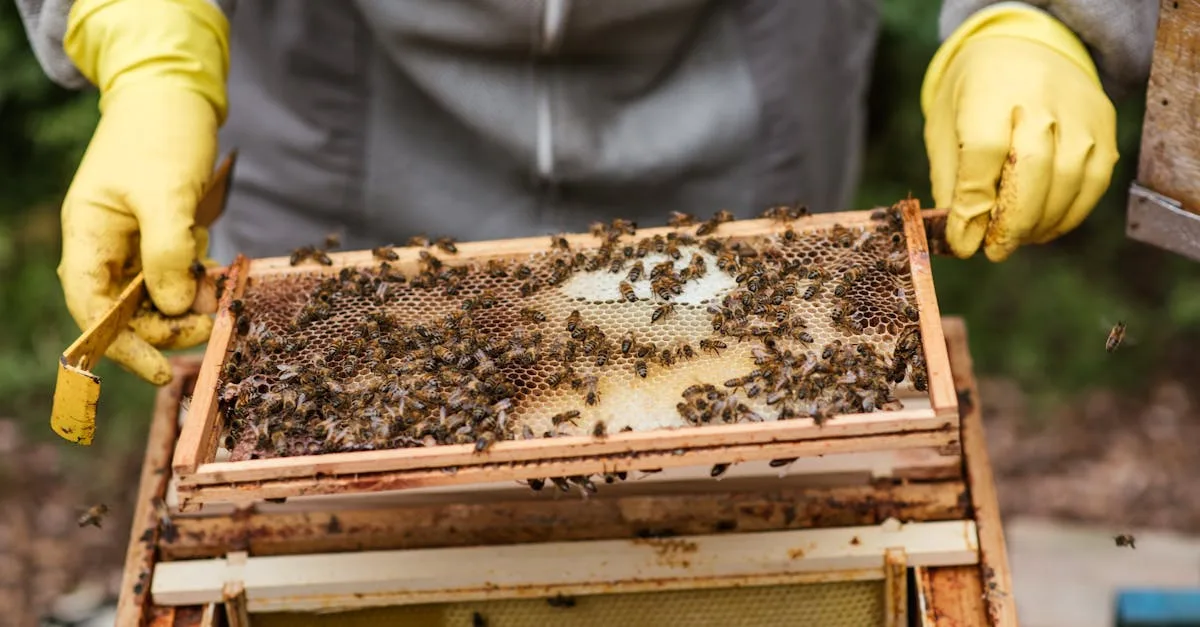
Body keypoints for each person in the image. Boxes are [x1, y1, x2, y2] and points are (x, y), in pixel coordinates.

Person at [15, 0, 1156, 387]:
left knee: (748, 457)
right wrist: (145, 32)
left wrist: (1040, 13)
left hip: (735, 86)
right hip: (338, 104)